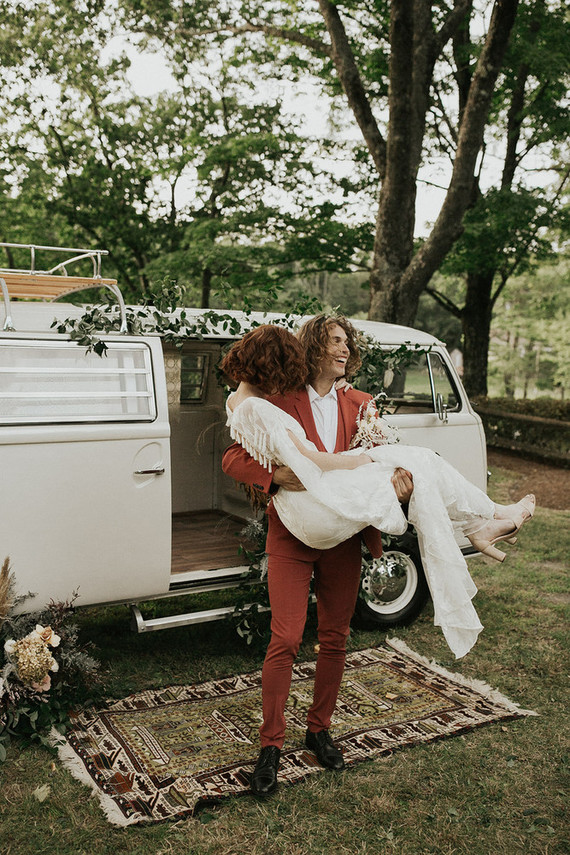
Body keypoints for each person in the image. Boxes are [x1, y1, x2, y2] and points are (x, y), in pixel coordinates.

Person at [221, 319, 534, 796]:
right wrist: (276, 478)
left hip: (345, 536)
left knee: (336, 635)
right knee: (284, 638)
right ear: (313, 349)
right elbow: (232, 457)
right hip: (292, 535)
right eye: (335, 343)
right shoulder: (279, 395)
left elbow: (385, 463)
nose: (345, 351)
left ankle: (319, 730)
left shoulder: (364, 405)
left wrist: (399, 484)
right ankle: (270, 747)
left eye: (349, 344)